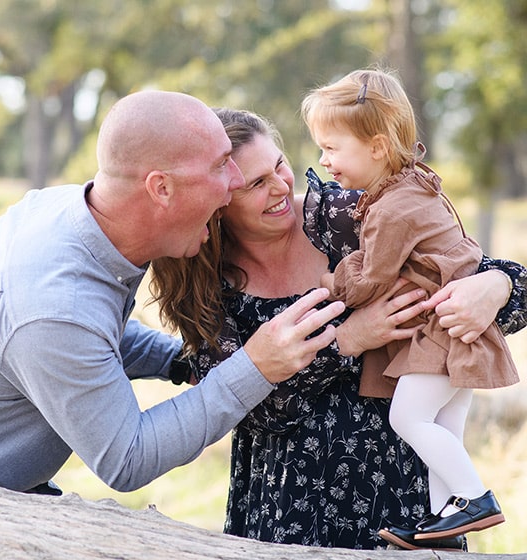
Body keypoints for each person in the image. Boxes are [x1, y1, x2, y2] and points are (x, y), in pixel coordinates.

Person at [149, 107, 527, 550]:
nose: (279, 187)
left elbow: (492, 282)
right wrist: (347, 340)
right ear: (217, 199)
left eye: (279, 166)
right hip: (282, 509)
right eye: (255, 184)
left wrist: (497, 285)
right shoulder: (202, 279)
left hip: (397, 499)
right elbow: (249, 409)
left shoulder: (349, 217)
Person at [0, 90, 348, 495]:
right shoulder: (52, 308)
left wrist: (182, 363)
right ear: (161, 188)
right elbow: (128, 458)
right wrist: (255, 367)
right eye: (221, 167)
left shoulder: (71, 217)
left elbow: (94, 334)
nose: (235, 182)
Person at [300, 67, 520, 548]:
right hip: (455, 330)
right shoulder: (413, 187)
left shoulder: (393, 207)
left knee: (408, 419)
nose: (325, 161)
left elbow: (371, 279)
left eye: (332, 149)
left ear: (377, 147)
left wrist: (331, 282)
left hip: (439, 334)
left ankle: (473, 496)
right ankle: (445, 519)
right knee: (445, 425)